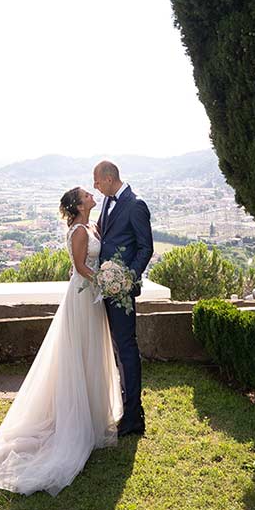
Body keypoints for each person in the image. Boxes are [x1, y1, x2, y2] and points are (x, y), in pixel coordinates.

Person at [0, 185, 123, 495]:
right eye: (86, 194)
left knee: (91, 353)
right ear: (78, 204)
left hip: (91, 298)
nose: (92, 195)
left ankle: (92, 414)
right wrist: (104, 280)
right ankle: (74, 423)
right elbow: (78, 267)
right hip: (83, 295)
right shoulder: (79, 231)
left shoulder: (92, 225)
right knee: (80, 352)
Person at [91, 159, 152, 436]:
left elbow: (145, 247)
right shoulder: (106, 201)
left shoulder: (135, 204)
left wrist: (128, 277)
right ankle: (124, 407)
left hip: (122, 290)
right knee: (116, 348)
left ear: (108, 177)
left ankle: (134, 415)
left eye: (97, 180)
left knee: (126, 348)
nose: (94, 185)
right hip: (105, 286)